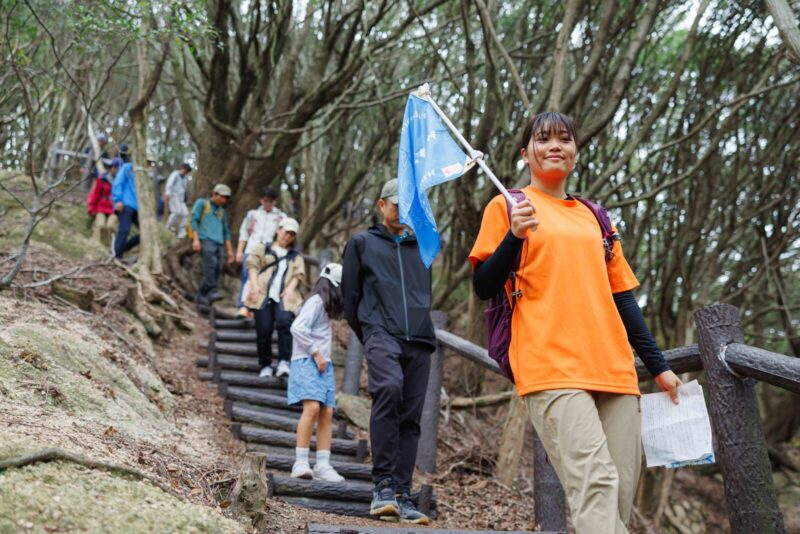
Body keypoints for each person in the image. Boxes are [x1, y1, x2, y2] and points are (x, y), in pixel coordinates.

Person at [469, 112, 682, 534]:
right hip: (550, 366)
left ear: (576, 153)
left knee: (619, 494)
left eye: (565, 139)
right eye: (544, 139)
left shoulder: (595, 217)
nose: (555, 146)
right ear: (525, 153)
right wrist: (514, 236)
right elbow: (483, 285)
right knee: (595, 484)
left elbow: (623, 297)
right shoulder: (507, 205)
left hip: (614, 368)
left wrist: (659, 367)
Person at [341, 179, 434, 525]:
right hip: (380, 331)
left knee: (411, 417)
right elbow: (350, 297)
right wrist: (369, 331)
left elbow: (424, 292)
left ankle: (403, 494)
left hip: (419, 339)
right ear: (382, 205)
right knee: (389, 390)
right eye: (396, 204)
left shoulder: (422, 247)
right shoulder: (362, 243)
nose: (402, 210)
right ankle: (382, 486)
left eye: (408, 204)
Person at [287, 263, 346, 483]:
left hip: (323, 363)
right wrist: (316, 353)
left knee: (327, 412)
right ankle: (301, 462)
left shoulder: (324, 306)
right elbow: (297, 327)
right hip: (307, 361)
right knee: (311, 408)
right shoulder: (316, 302)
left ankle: (322, 464)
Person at [244, 218, 305, 379]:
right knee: (263, 329)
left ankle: (284, 362)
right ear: (278, 230)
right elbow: (252, 265)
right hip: (263, 294)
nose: (288, 236)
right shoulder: (263, 248)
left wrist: (291, 289)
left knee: (285, 323)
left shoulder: (295, 256)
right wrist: (254, 285)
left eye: (292, 234)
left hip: (284, 297)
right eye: (286, 232)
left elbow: (298, 274)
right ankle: (265, 364)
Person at [235, 186, 285, 319]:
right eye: (265, 200)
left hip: (269, 253)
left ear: (275, 201)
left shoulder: (280, 217)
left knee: (264, 279)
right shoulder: (252, 214)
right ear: (261, 200)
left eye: (270, 201)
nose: (267, 204)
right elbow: (244, 233)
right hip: (251, 249)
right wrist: (239, 251)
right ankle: (243, 306)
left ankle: (258, 308)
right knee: (247, 277)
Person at [191, 184, 234, 305]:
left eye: (226, 198)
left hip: (219, 243)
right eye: (222, 196)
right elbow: (194, 220)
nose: (224, 200)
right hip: (206, 239)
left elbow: (226, 232)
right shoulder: (202, 203)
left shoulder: (222, 212)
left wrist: (230, 251)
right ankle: (212, 290)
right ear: (214, 194)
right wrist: (195, 240)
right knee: (210, 264)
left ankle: (203, 293)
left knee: (218, 266)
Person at [112, 149, 140, 259]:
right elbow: (118, 183)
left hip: (138, 208)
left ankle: (123, 249)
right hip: (125, 205)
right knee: (124, 230)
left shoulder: (142, 173)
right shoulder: (127, 168)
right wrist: (118, 200)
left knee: (145, 232)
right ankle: (117, 256)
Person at [86, 158, 119, 247]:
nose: (115, 170)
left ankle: (111, 246)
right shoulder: (103, 179)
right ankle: (95, 244)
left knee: (111, 226)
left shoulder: (120, 181)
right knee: (100, 224)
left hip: (114, 208)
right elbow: (95, 194)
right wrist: (91, 207)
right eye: (114, 167)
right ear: (111, 167)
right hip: (101, 207)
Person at [164, 163, 192, 238]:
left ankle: (182, 233)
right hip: (173, 196)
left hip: (181, 199)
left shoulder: (185, 179)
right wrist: (167, 193)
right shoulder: (175, 174)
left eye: (187, 171)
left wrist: (185, 198)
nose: (186, 172)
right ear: (182, 168)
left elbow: (184, 189)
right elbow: (169, 184)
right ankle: (168, 227)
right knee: (176, 212)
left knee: (185, 213)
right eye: (186, 170)